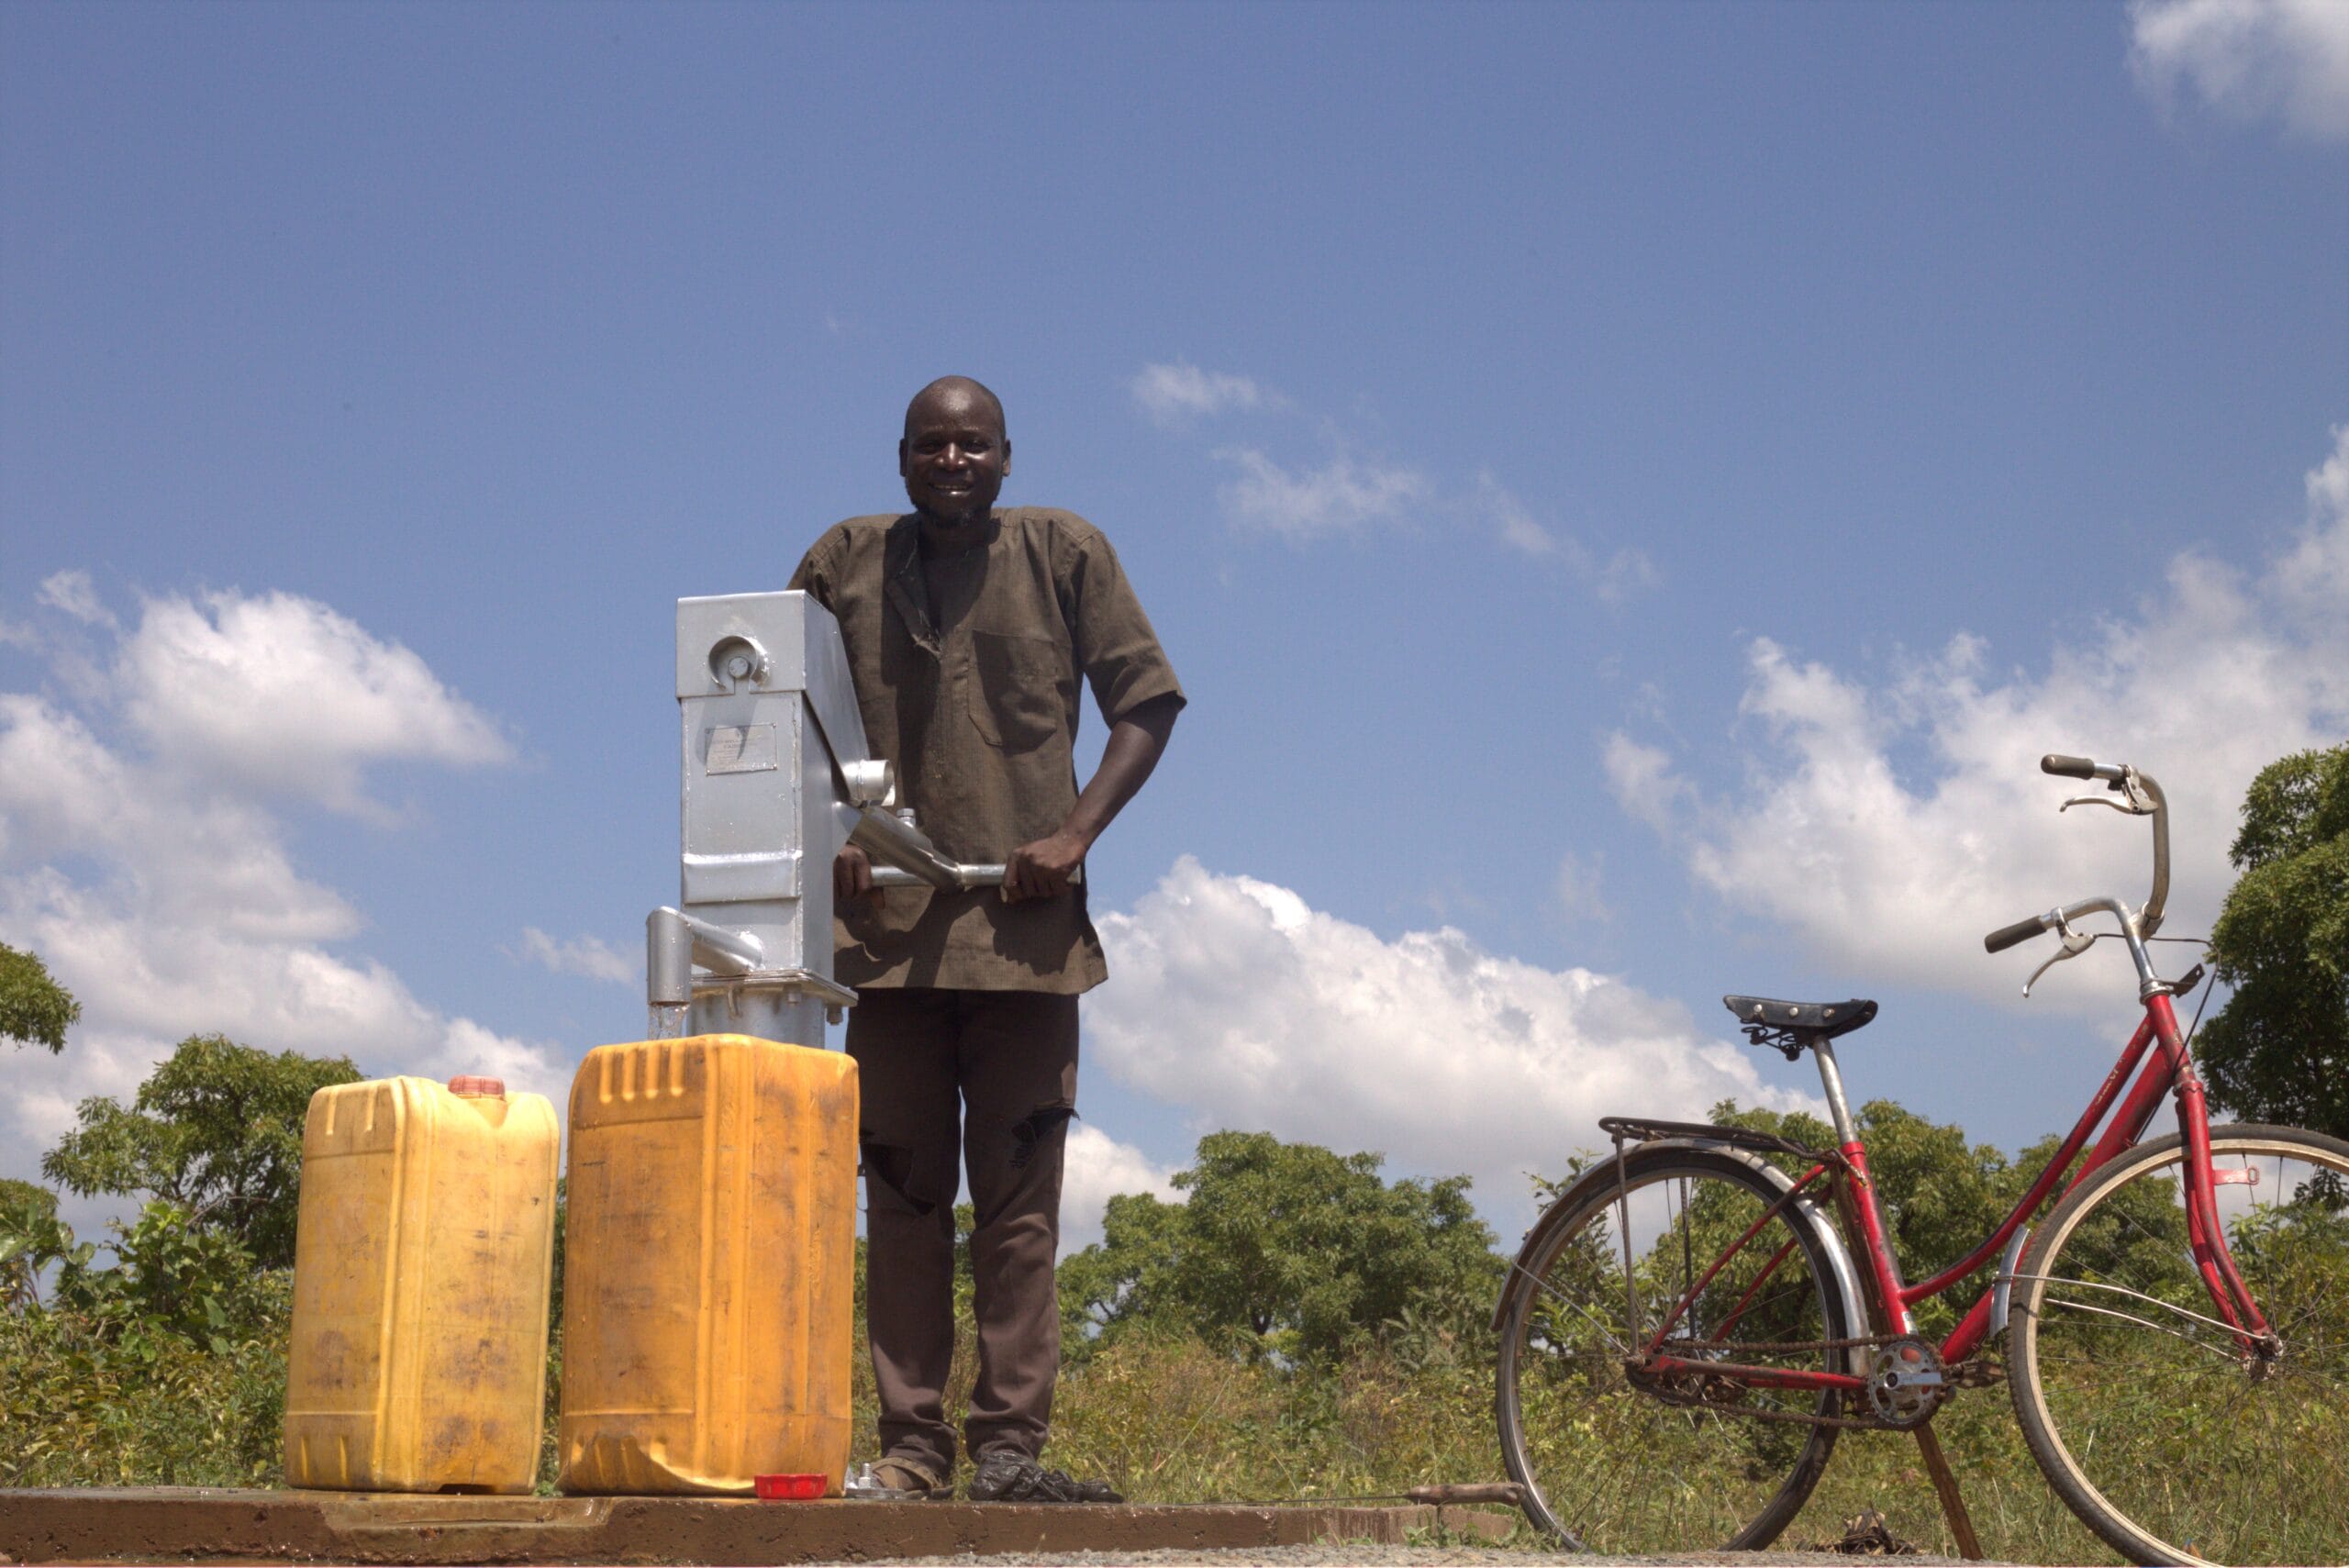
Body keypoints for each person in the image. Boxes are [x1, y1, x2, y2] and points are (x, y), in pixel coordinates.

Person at [788, 376, 1183, 1504]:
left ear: (1006, 456)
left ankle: (1010, 1450)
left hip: (1023, 943)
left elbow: (1145, 704)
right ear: (900, 456)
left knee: (1017, 1207)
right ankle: (910, 1449)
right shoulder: (843, 561)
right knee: (903, 1200)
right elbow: (773, 709)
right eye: (930, 444)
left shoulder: (1064, 551)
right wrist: (824, 829)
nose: (951, 460)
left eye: (972, 444)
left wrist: (1070, 831)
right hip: (889, 944)